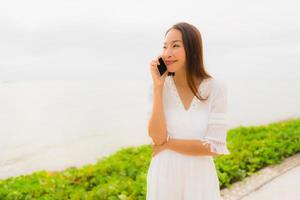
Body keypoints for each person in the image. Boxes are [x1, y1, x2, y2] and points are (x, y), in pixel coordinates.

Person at [146, 22, 230, 200]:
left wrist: (168, 145)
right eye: (165, 46)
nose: (167, 53)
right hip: (164, 174)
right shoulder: (159, 87)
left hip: (199, 178)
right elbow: (157, 138)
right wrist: (158, 87)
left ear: (192, 49)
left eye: (175, 45)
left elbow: (215, 147)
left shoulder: (216, 88)